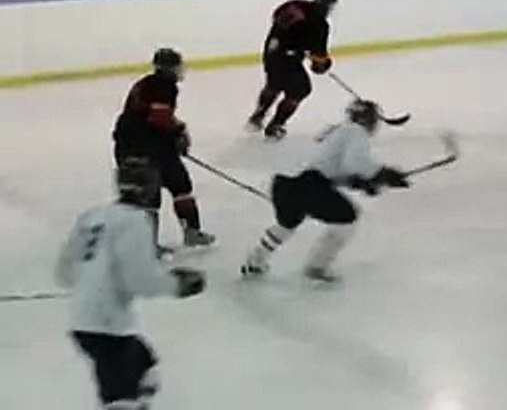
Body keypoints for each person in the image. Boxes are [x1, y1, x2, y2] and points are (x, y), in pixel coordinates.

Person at [56, 156, 205, 409]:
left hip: (83, 321)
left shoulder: (93, 216)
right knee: (122, 395)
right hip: (108, 327)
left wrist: (94, 280)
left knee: (145, 367)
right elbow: (138, 280)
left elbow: (64, 272)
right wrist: (176, 285)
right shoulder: (134, 221)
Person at [242, 99, 410, 282]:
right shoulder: (355, 131)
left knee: (287, 224)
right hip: (308, 185)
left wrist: (363, 183)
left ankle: (255, 261)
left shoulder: (334, 131)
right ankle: (317, 266)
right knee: (348, 218)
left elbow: (332, 169)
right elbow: (355, 163)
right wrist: (382, 174)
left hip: (283, 182)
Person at [113, 48, 215, 249]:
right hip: (139, 147)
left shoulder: (149, 83)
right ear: (169, 68)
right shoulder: (163, 86)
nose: (180, 70)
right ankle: (147, 244)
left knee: (181, 184)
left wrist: (176, 133)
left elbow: (157, 116)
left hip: (148, 144)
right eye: (177, 66)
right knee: (149, 196)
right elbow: (159, 117)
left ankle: (191, 232)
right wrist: (178, 133)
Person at [247, 0, 337, 141]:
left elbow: (277, 19)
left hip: (271, 51)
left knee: (274, 84)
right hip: (288, 59)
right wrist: (323, 64)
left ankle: (259, 114)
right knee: (300, 90)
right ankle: (276, 124)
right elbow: (318, 58)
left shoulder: (294, 4)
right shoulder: (319, 24)